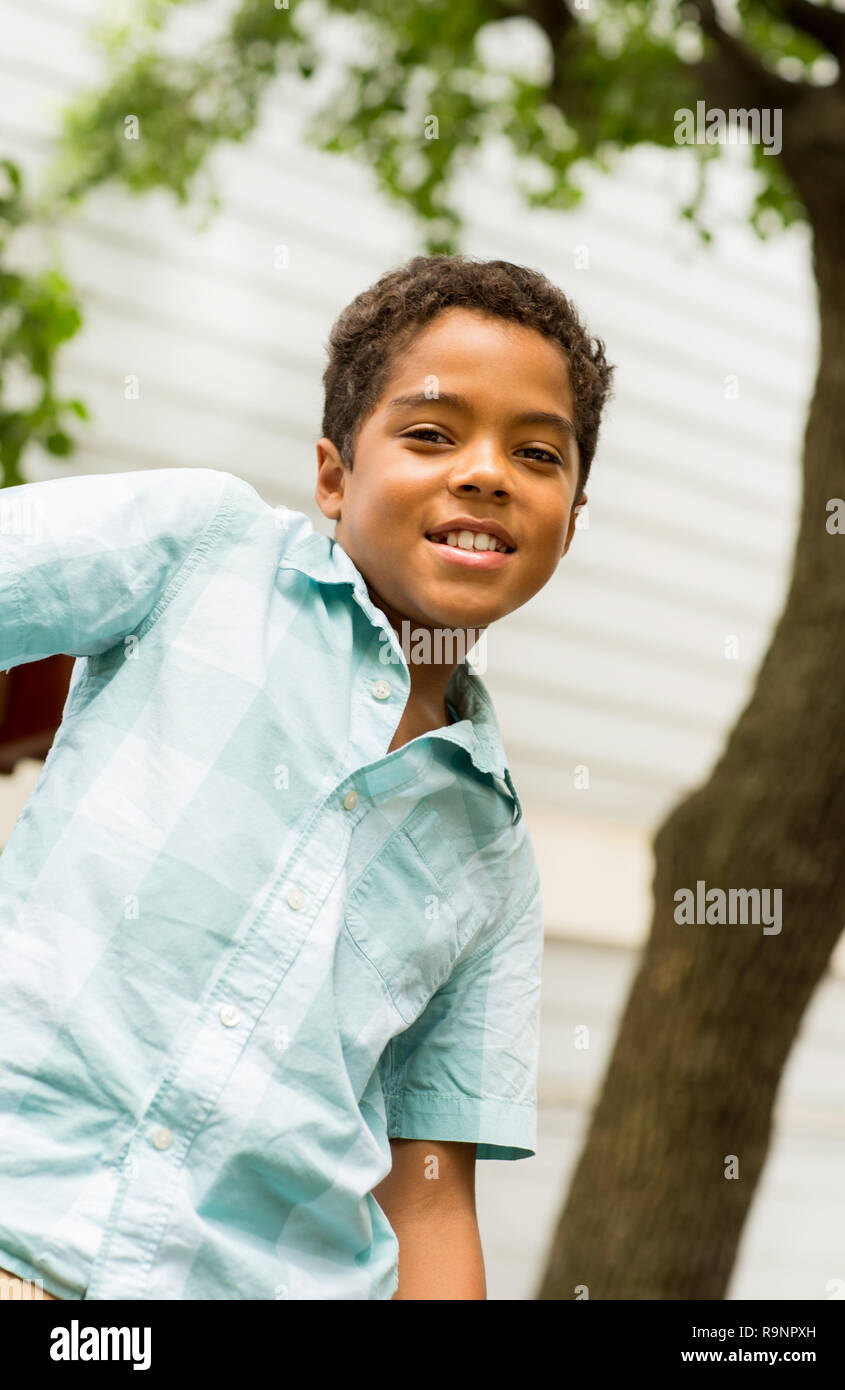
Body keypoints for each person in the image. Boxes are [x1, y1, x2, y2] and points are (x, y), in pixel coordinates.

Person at [0, 254, 614, 1300]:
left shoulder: (495, 860)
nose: (485, 472)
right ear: (334, 477)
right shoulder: (202, 547)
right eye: (429, 433)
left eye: (536, 454)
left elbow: (426, 1192)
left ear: (569, 516)